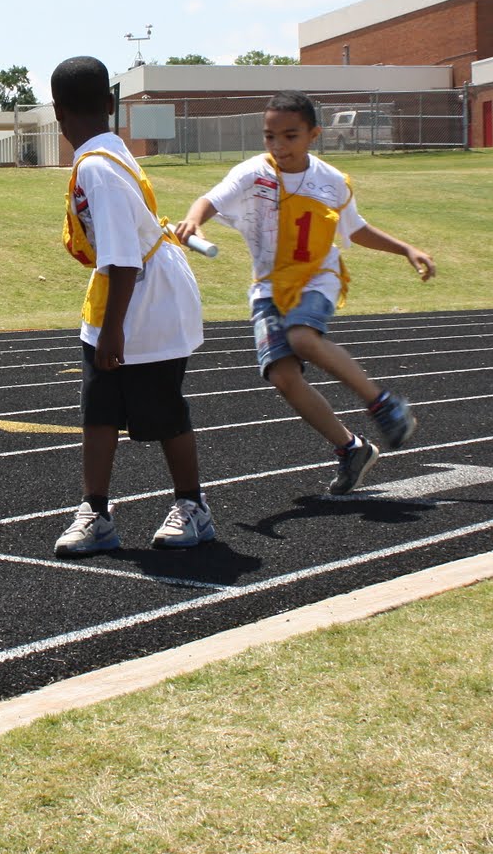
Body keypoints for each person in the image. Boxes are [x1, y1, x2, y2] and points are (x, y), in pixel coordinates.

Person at [176, 90, 435, 496]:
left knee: (301, 337)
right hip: (268, 285)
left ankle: (384, 404)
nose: (279, 146)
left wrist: (405, 248)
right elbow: (212, 198)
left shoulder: (330, 181)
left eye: (290, 136)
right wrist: (193, 219)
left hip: (317, 278)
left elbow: (354, 229)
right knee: (282, 375)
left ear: (314, 134)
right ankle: (350, 448)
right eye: (270, 137)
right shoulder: (254, 172)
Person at [50, 55, 215, 558]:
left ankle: (194, 507)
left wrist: (113, 332)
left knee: (161, 409)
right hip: (126, 295)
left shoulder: (97, 168)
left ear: (57, 114)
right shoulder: (109, 152)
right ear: (110, 104)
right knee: (99, 408)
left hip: (147, 300)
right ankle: (95, 513)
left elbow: (122, 260)